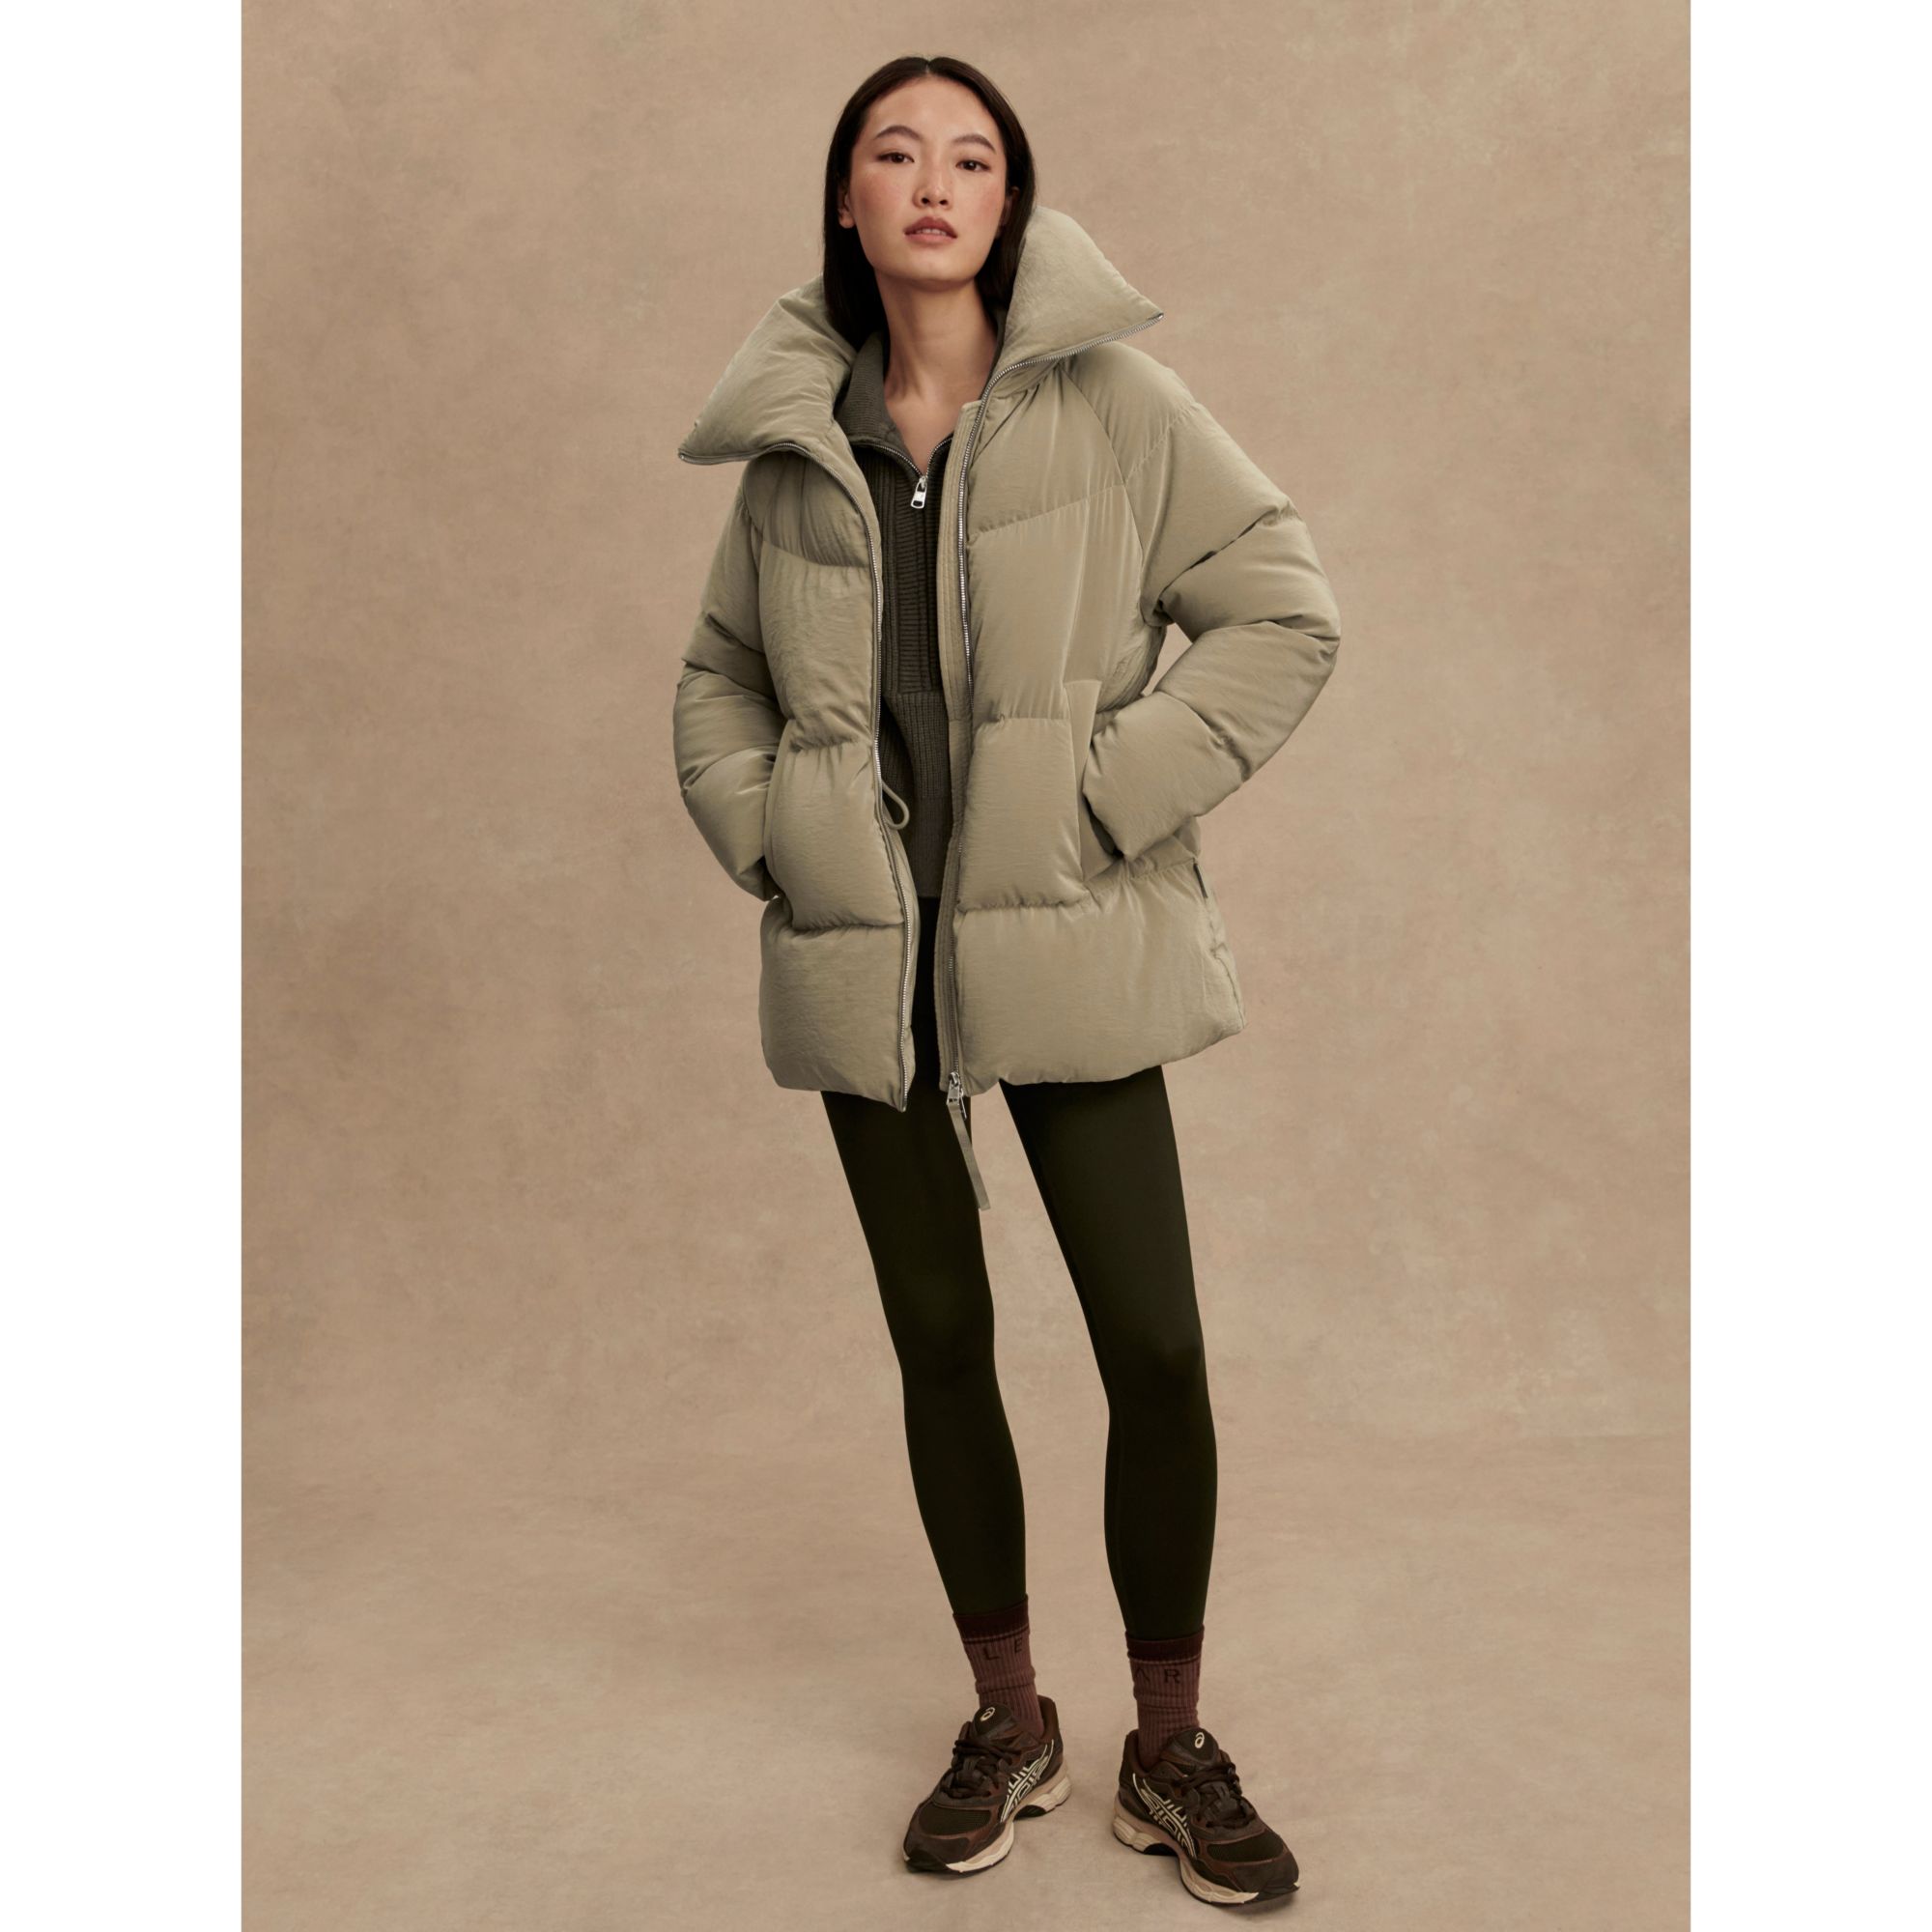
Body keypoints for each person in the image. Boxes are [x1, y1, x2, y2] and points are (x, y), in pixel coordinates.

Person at [673, 53, 1341, 1909]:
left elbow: (1284, 605)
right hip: (870, 964)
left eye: (970, 158)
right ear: (848, 198)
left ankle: (1170, 1745)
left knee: (1156, 1347)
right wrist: (781, 833)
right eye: (895, 153)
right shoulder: (802, 441)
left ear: (1011, 201)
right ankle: (1007, 1717)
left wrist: (1106, 799)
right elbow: (719, 675)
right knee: (940, 1346)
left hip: (1068, 938)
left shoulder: (1113, 403)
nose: (932, 183)